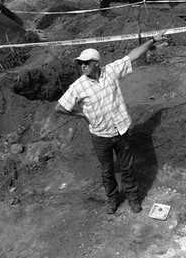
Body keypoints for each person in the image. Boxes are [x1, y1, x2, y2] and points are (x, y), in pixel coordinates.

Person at [55, 33, 166, 215]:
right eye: (80, 63)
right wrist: (80, 114)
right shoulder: (78, 86)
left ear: (96, 63)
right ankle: (113, 200)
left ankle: (133, 199)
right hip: (100, 136)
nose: (83, 66)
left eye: (86, 62)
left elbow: (133, 55)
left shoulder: (111, 71)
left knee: (127, 168)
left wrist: (152, 40)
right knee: (107, 171)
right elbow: (59, 107)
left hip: (120, 131)